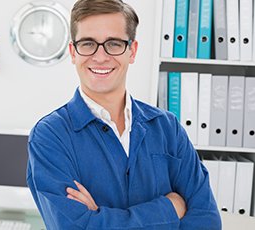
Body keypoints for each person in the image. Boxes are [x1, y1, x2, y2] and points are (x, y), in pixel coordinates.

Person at [27, 0, 222, 229]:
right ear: (73, 52)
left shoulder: (167, 128)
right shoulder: (50, 136)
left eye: (114, 43)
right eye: (88, 44)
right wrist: (170, 208)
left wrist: (99, 219)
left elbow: (207, 221)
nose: (100, 57)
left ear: (132, 51)